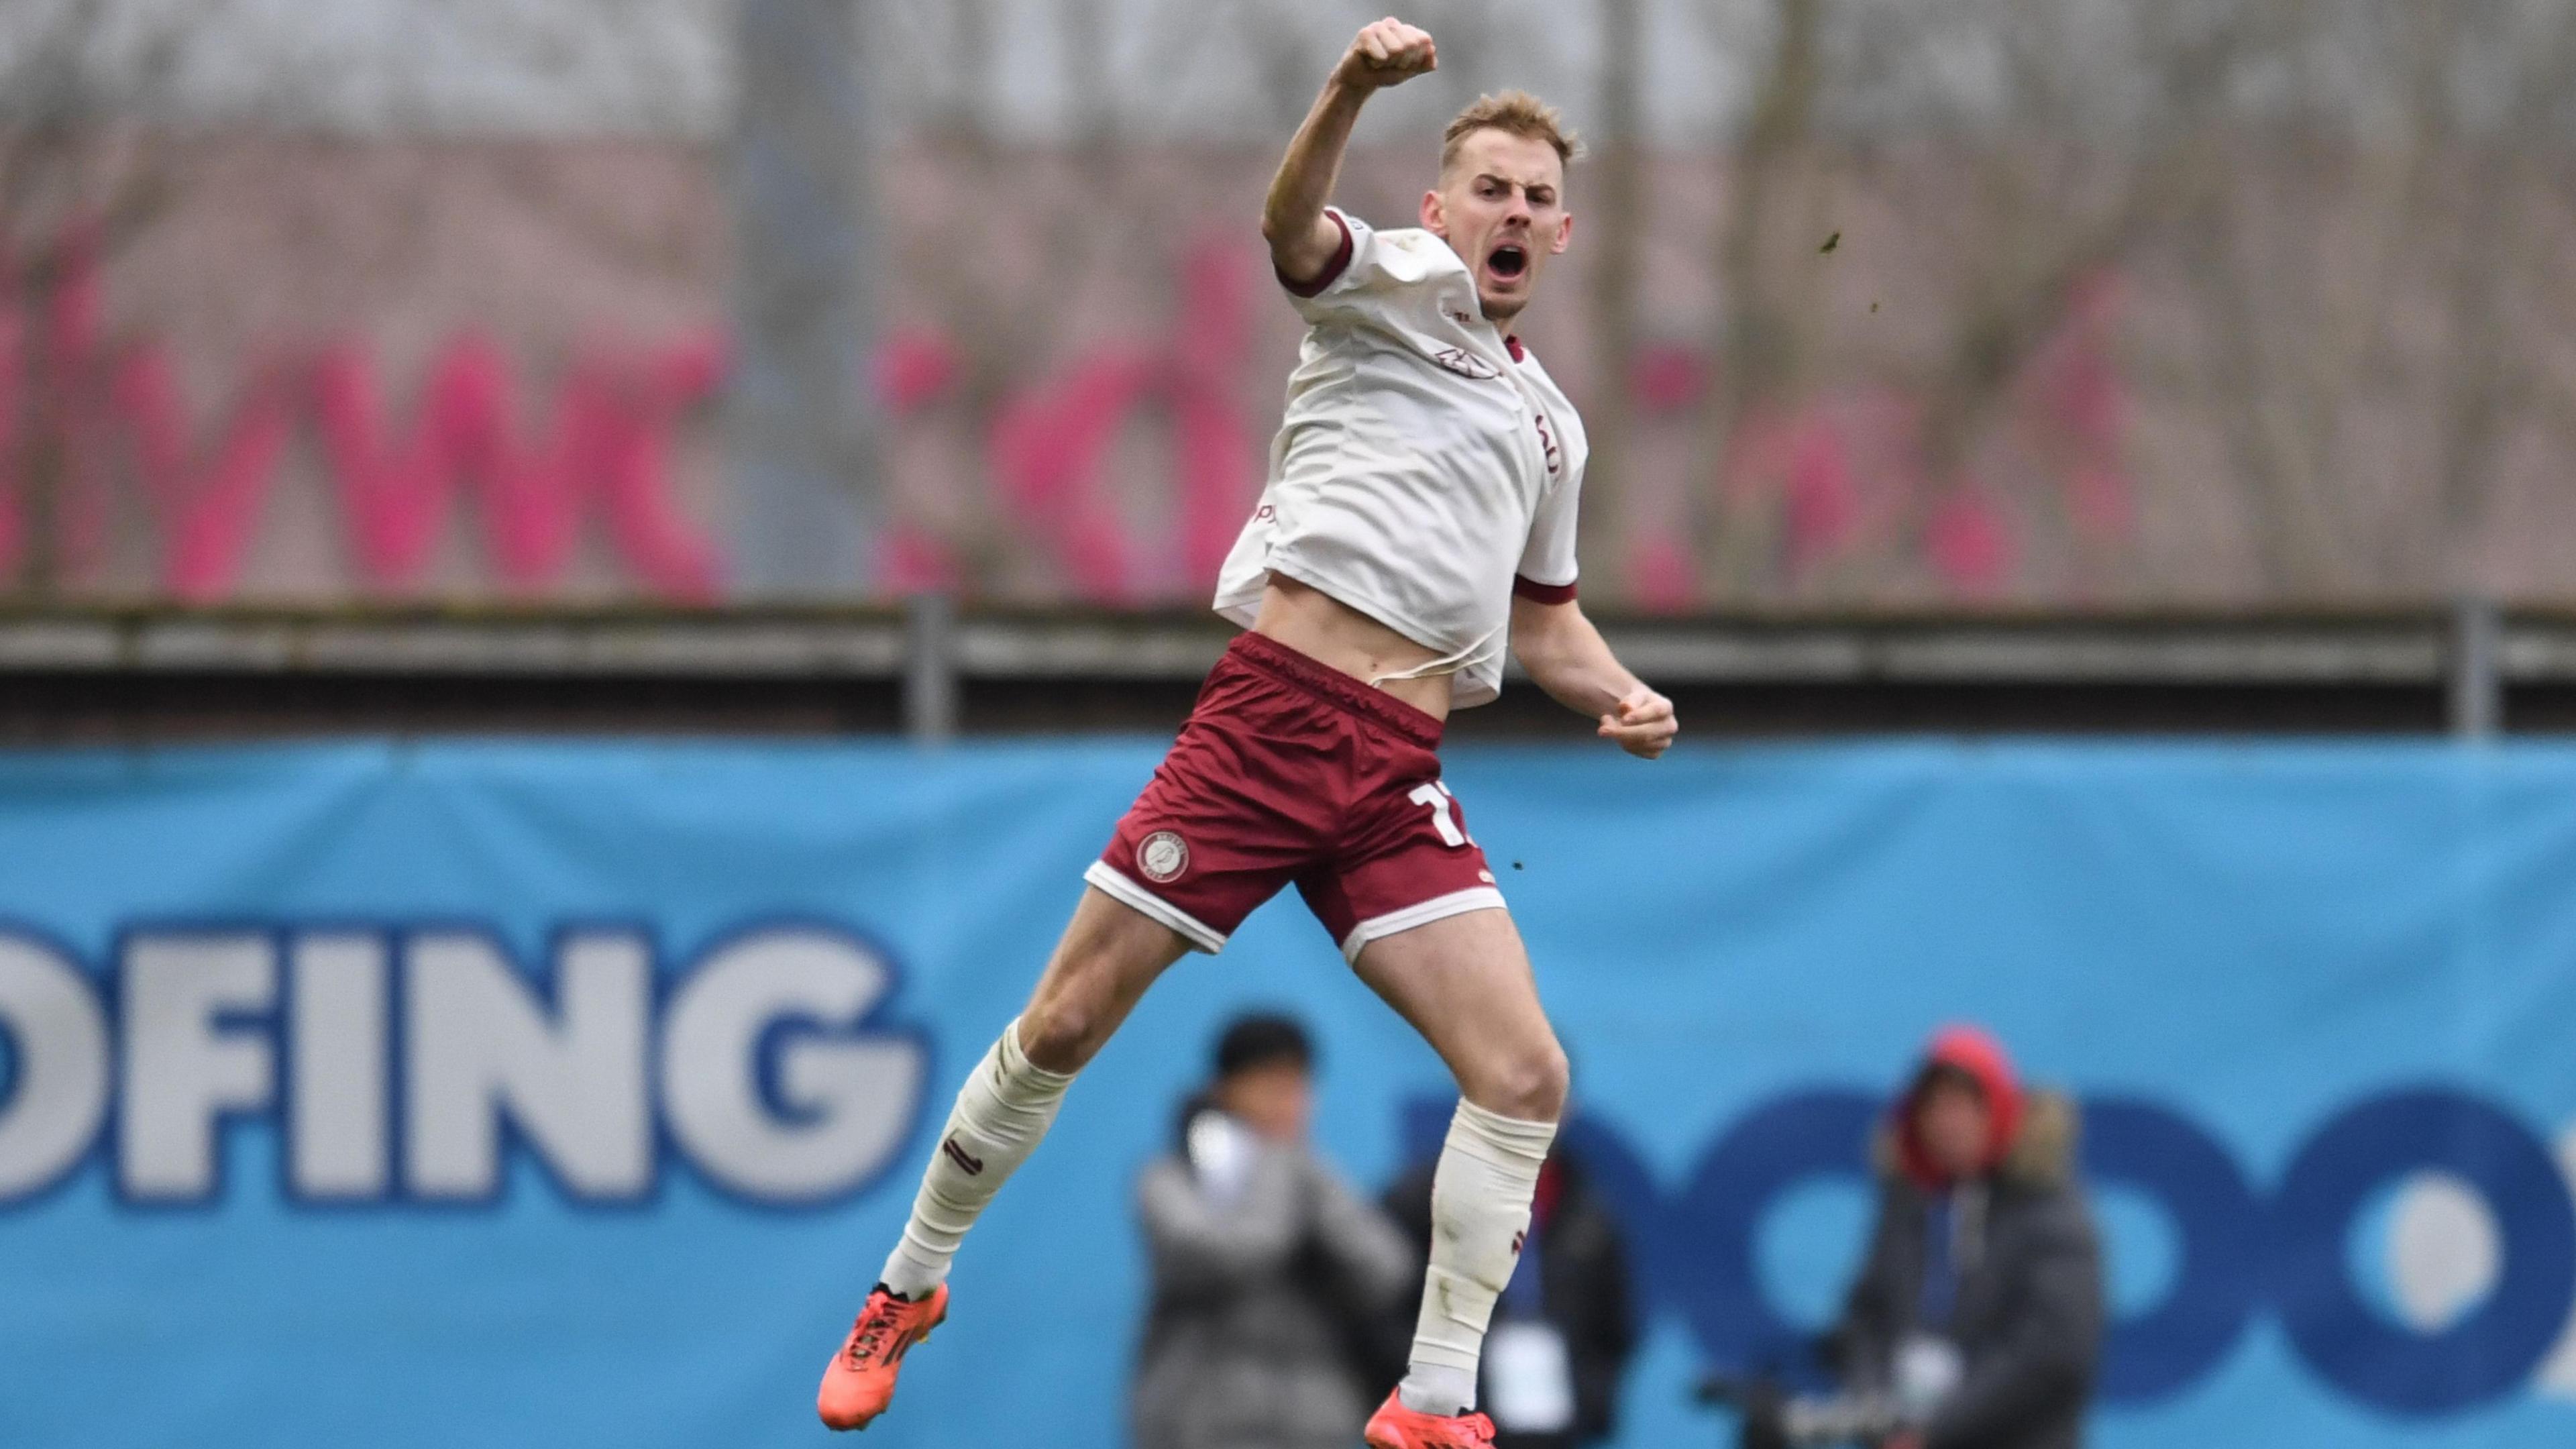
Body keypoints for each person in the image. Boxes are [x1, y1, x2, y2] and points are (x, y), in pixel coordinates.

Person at [815, 15, 1678, 1448]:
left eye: (1536, 197)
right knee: (1067, 1019)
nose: (1511, 213)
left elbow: (1541, 626)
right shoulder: (1391, 287)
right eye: (1490, 188)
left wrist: (1621, 693)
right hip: (1268, 724)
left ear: (1564, 230)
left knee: (1526, 1074)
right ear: (1438, 208)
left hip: (1396, 768)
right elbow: (1286, 228)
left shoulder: (1553, 432)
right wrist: (1345, 87)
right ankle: (909, 1282)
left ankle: (1434, 1401)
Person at [1133, 1014, 1419, 1449]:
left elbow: (1387, 1270)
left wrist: (1298, 1176)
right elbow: (1217, 1255)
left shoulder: (1314, 1176)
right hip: (1202, 1424)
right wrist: (1279, 1165)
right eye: (1268, 1085)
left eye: (1297, 1086)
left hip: (1317, 1424)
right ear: (1225, 1091)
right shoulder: (1171, 1178)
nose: (1286, 1102)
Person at [1830, 1027, 2104, 1449]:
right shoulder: (1907, 1206)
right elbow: (1865, 1317)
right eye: (1935, 1107)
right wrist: (1875, 1412)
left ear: (1999, 1109)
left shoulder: (2051, 1215)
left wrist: (1934, 1430)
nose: (1948, 1123)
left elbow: (2051, 1354)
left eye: (1963, 1105)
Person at [1383, 1131, 1639, 1448]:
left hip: (1555, 1433)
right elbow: (1381, 1313)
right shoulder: (1422, 1202)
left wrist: (1587, 1399)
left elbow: (1613, 1326)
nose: (1526, 1105)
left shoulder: (1588, 1209)